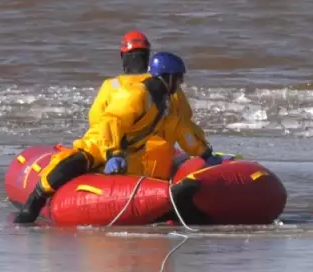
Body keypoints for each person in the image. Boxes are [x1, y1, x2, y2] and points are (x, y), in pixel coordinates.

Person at [13, 51, 222, 224]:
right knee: (73, 163)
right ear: (167, 77)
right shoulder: (137, 95)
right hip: (101, 142)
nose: (180, 83)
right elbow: (111, 122)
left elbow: (181, 128)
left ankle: (169, 206)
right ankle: (35, 201)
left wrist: (204, 153)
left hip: (130, 151)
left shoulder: (165, 101)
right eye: (178, 78)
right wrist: (112, 153)